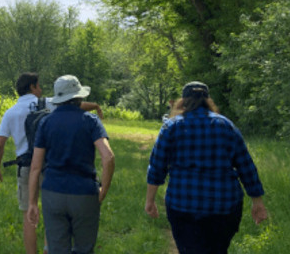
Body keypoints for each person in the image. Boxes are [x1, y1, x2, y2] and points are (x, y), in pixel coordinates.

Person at [145, 81, 268, 254]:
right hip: (224, 207)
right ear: (207, 100)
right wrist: (258, 202)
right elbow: (245, 166)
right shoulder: (226, 126)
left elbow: (157, 167)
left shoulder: (172, 127)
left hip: (183, 205)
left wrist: (150, 200)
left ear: (184, 100)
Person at [0, 72, 105, 254]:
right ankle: (48, 249)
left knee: (29, 214)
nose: (41, 89)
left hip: (28, 167)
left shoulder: (11, 112)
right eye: (38, 85)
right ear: (32, 87)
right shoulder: (51, 104)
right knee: (51, 213)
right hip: (52, 167)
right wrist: (96, 106)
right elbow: (78, 107)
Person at [26, 75, 115, 254]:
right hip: (84, 193)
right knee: (84, 248)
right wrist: (103, 190)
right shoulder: (90, 120)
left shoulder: (45, 122)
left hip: (53, 193)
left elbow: (35, 167)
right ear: (79, 96)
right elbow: (108, 157)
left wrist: (32, 202)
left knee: (57, 249)